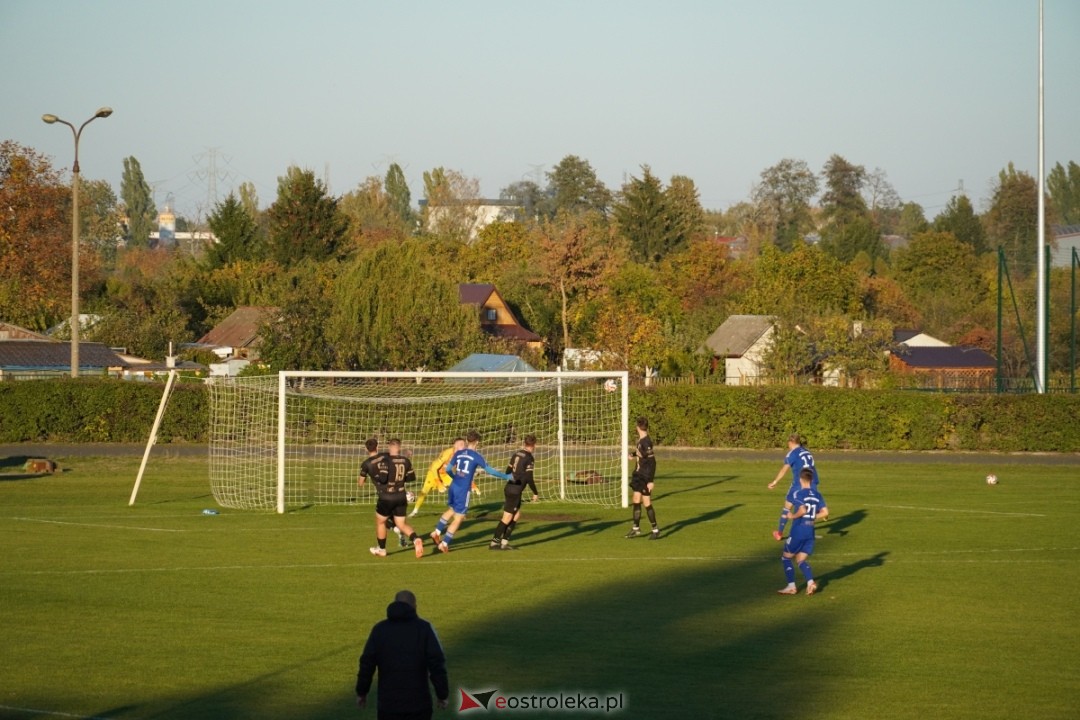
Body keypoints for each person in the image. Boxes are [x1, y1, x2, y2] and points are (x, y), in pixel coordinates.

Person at [356, 589, 449, 719]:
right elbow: (437, 664)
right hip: (419, 705)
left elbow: (367, 664)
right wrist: (442, 694)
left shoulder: (379, 630)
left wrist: (362, 692)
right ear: (414, 606)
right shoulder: (424, 629)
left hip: (388, 705)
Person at [430, 430, 510, 553]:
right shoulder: (477, 457)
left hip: (454, 485)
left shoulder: (459, 453)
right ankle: (444, 544)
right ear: (477, 442)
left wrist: (454, 477)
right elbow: (491, 471)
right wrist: (506, 477)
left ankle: (436, 532)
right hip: (463, 489)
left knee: (451, 509)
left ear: (467, 441)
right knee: (459, 518)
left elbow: (449, 469)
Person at [361, 438, 424, 558]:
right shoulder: (405, 461)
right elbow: (411, 478)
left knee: (380, 522)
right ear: (399, 447)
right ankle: (416, 539)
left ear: (390, 447)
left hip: (387, 496)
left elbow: (383, 479)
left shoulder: (386, 460)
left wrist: (378, 479)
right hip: (401, 495)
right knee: (401, 523)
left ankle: (381, 549)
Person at [777, 468, 828, 595]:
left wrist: (792, 516)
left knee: (786, 558)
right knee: (800, 560)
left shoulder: (798, 494)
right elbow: (825, 513)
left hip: (799, 530)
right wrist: (812, 518)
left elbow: (803, 510)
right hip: (810, 531)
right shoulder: (818, 494)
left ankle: (791, 586)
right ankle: (810, 583)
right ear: (811, 480)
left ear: (800, 480)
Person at [489, 433, 539, 551]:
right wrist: (535, 492)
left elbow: (508, 470)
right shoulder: (529, 458)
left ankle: (504, 542)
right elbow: (529, 478)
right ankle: (494, 543)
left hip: (510, 487)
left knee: (516, 515)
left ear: (524, 443)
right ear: (534, 445)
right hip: (515, 490)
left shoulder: (516, 454)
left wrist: (512, 478)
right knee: (507, 517)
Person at [767, 433, 819, 541]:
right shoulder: (807, 451)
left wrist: (775, 481)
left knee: (787, 507)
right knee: (807, 508)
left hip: (799, 483)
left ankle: (779, 533)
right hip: (813, 482)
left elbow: (784, 469)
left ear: (790, 443)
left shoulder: (792, 454)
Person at [359, 438, 408, 549]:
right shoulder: (386, 456)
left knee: (381, 520)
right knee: (396, 518)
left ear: (366, 449)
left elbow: (360, 483)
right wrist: (407, 454)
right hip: (396, 491)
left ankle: (384, 546)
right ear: (377, 447)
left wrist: (366, 476)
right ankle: (404, 535)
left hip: (384, 495)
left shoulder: (366, 464)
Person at [409, 437, 466, 517]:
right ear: (455, 445)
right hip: (433, 474)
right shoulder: (447, 453)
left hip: (444, 474)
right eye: (461, 444)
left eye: (464, 444)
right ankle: (414, 511)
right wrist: (438, 482)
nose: (464, 446)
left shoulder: (462, 455)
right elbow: (434, 467)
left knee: (458, 488)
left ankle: (458, 511)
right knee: (424, 492)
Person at [625, 417, 660, 539]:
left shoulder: (646, 442)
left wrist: (650, 481)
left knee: (646, 503)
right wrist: (633, 455)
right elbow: (642, 453)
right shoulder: (641, 441)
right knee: (635, 499)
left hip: (645, 476)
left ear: (638, 427)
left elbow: (652, 462)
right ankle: (636, 528)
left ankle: (655, 529)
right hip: (638, 475)